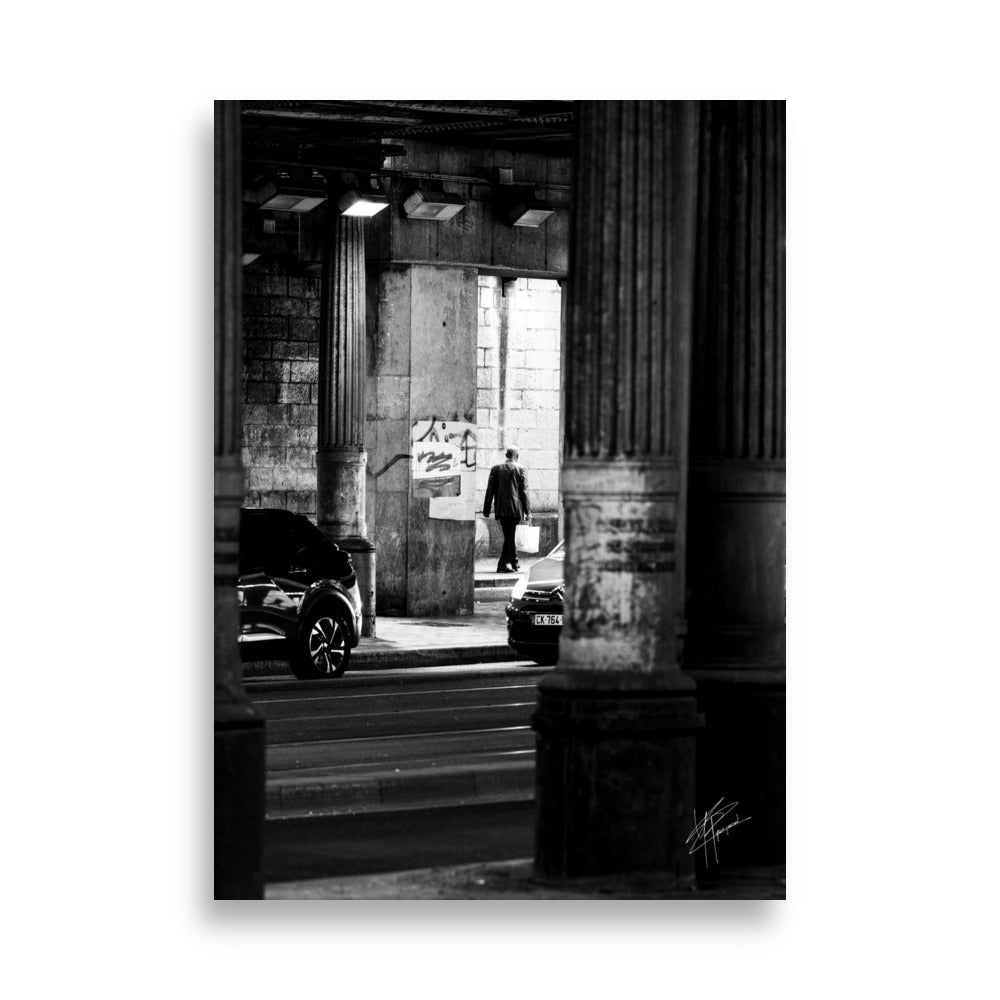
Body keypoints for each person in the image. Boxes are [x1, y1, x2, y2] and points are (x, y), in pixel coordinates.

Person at [483, 446, 531, 573]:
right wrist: (528, 512)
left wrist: (486, 510)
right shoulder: (521, 469)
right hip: (515, 510)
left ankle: (514, 561)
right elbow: (524, 492)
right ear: (517, 456)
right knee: (510, 536)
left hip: (501, 509)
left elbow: (490, 490)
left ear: (506, 455)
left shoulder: (495, 469)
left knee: (509, 535)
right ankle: (502, 564)